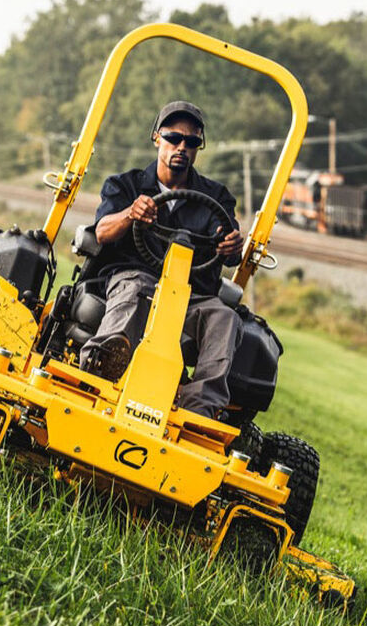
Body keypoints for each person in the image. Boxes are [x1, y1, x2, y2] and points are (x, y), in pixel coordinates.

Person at [79, 101, 244, 419]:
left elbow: (230, 246)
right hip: (133, 277)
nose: (182, 147)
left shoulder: (216, 197)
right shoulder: (125, 185)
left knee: (224, 317)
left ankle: (198, 411)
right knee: (137, 289)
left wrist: (232, 246)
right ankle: (103, 366)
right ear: (157, 138)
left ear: (198, 148)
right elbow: (102, 232)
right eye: (173, 138)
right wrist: (130, 213)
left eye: (191, 142)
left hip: (190, 295)